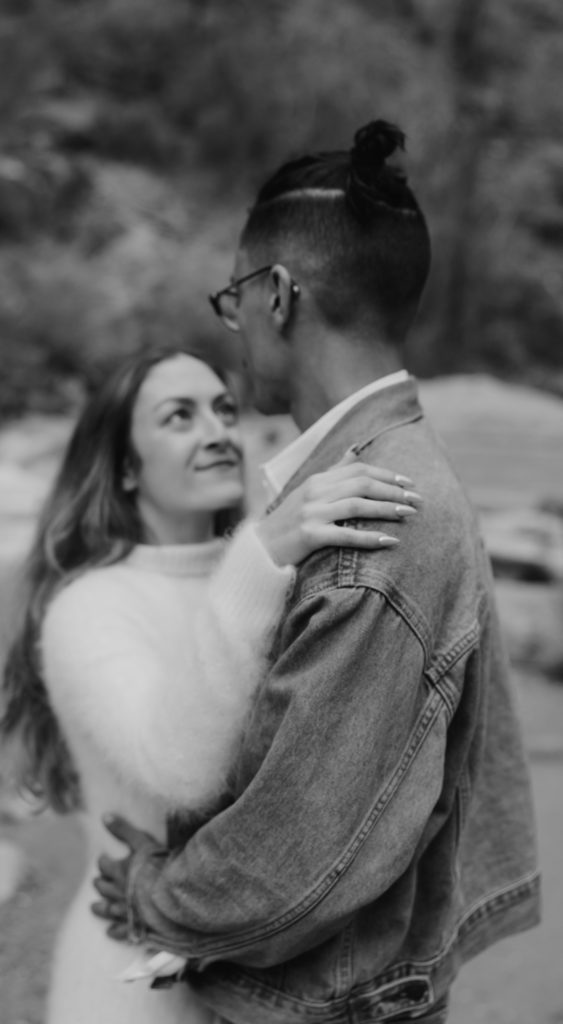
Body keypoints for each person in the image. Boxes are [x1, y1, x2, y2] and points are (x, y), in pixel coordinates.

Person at [92, 121, 540, 1024]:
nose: (236, 328)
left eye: (233, 300)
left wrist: (151, 895)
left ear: (279, 295)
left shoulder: (377, 516)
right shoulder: (370, 478)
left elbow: (298, 857)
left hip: (318, 1002)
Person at [0, 344, 421, 1024]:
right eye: (179, 416)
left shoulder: (274, 572)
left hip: (265, 978)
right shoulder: (90, 607)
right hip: (130, 986)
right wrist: (261, 553)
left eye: (224, 410)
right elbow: (179, 767)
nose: (218, 431)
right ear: (127, 467)